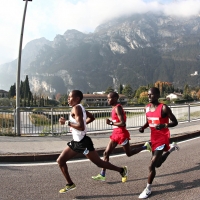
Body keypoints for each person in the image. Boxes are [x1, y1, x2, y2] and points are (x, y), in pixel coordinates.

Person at [57, 90, 128, 194]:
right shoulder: (80, 107)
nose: (68, 99)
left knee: (99, 163)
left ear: (77, 99)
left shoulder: (77, 108)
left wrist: (66, 122)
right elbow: (92, 118)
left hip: (83, 143)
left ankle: (122, 170)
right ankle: (70, 184)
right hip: (77, 142)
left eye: (69, 97)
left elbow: (81, 127)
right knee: (61, 161)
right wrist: (80, 125)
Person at [92, 92, 151, 183]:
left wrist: (111, 123)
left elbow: (123, 123)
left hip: (122, 134)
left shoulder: (118, 107)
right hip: (115, 133)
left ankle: (145, 146)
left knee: (129, 153)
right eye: (107, 98)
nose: (107, 100)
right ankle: (102, 174)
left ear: (115, 98)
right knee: (106, 153)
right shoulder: (113, 108)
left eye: (109, 98)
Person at [138, 87, 180, 199]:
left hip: (163, 137)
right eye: (148, 95)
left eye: (151, 95)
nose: (148, 97)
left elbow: (175, 122)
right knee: (158, 164)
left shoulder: (164, 108)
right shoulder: (146, 108)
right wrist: (143, 127)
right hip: (153, 138)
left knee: (151, 165)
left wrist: (164, 125)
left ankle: (148, 189)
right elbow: (149, 120)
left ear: (157, 95)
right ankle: (171, 149)